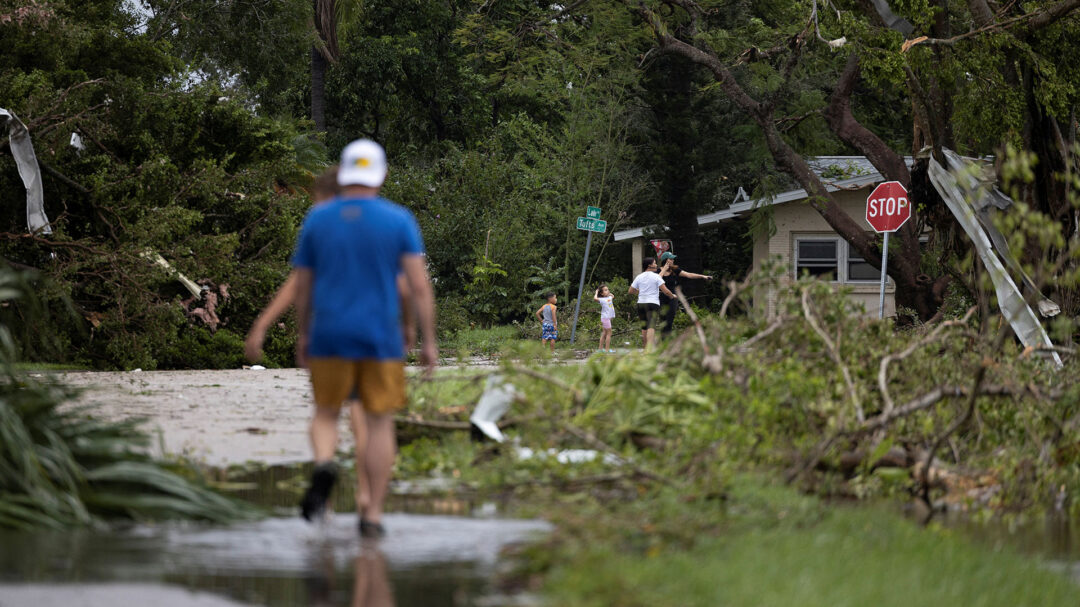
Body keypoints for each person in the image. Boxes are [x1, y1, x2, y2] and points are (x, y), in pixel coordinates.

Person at [292, 138, 437, 538]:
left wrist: (304, 332)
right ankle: (371, 514)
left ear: (342, 174)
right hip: (380, 338)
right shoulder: (398, 220)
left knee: (325, 413)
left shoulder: (318, 220)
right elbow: (418, 286)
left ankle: (324, 463)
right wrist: (427, 340)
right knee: (378, 423)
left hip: (329, 334)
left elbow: (303, 286)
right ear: (382, 174)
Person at [657, 251, 712, 338]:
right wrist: (664, 269)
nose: (672, 261)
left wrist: (703, 276)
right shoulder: (658, 271)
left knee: (669, 320)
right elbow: (657, 280)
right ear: (665, 260)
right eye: (670, 259)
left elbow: (688, 275)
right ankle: (663, 341)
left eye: (673, 259)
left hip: (673, 297)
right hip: (662, 297)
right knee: (663, 321)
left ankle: (668, 342)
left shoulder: (675, 270)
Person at [628, 257, 676, 351]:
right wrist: (672, 296)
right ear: (649, 265)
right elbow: (665, 291)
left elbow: (630, 291)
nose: (656, 265)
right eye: (654, 263)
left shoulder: (639, 276)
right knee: (651, 326)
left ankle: (645, 348)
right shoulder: (656, 277)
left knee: (644, 327)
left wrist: (641, 292)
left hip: (641, 303)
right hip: (652, 303)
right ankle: (650, 349)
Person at [593, 284, 615, 353]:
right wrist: (596, 292)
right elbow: (595, 298)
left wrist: (608, 293)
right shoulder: (602, 299)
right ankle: (607, 350)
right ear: (602, 293)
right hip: (605, 318)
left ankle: (600, 349)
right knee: (609, 333)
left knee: (604, 333)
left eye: (607, 289)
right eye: (605, 290)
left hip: (608, 318)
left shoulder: (609, 298)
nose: (607, 290)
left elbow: (612, 296)